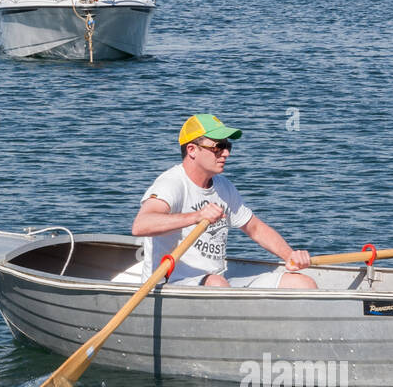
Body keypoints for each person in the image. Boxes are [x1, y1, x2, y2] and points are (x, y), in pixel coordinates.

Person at [131, 114, 317, 289]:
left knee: (302, 283)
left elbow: (255, 228)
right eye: (217, 147)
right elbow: (141, 225)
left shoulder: (224, 187)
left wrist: (290, 256)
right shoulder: (171, 184)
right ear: (192, 150)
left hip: (217, 280)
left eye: (228, 146)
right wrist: (197, 216)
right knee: (217, 284)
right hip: (170, 283)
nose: (226, 153)